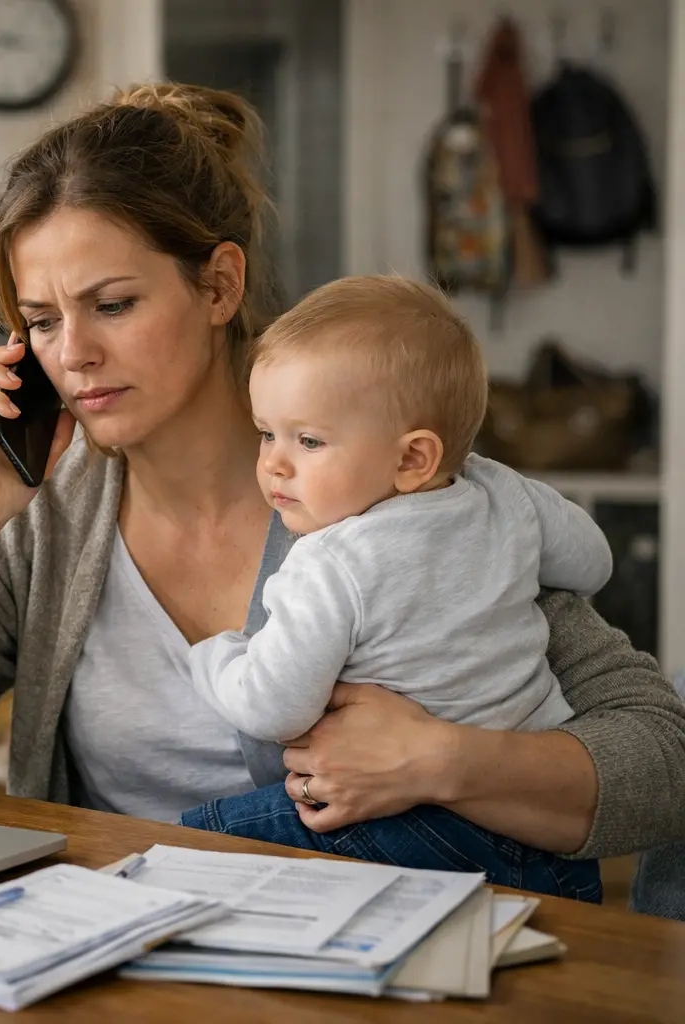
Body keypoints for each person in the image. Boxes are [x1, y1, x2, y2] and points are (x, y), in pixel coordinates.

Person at [0, 82, 685, 883]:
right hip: (121, 950)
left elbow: (661, 760)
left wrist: (441, 761)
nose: (71, 354)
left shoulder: (399, 496)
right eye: (40, 321)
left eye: (113, 305)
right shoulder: (49, 519)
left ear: (219, 284)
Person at [174, 275, 611, 899]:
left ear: (412, 459)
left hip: (410, 828)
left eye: (309, 440)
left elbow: (275, 709)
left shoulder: (329, 560)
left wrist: (214, 658)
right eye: (267, 432)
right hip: (544, 837)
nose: (273, 462)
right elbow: (592, 563)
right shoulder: (504, 495)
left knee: (189, 847)